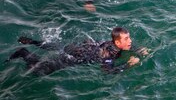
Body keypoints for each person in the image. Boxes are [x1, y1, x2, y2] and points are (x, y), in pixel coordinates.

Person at [7, 27, 149, 76]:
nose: (130, 41)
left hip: (83, 47)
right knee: (42, 70)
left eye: (129, 37)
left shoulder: (112, 43)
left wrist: (137, 49)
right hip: (76, 58)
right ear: (117, 42)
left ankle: (33, 42)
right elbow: (107, 71)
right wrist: (128, 65)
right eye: (126, 39)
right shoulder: (109, 54)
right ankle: (23, 52)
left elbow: (126, 46)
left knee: (59, 46)